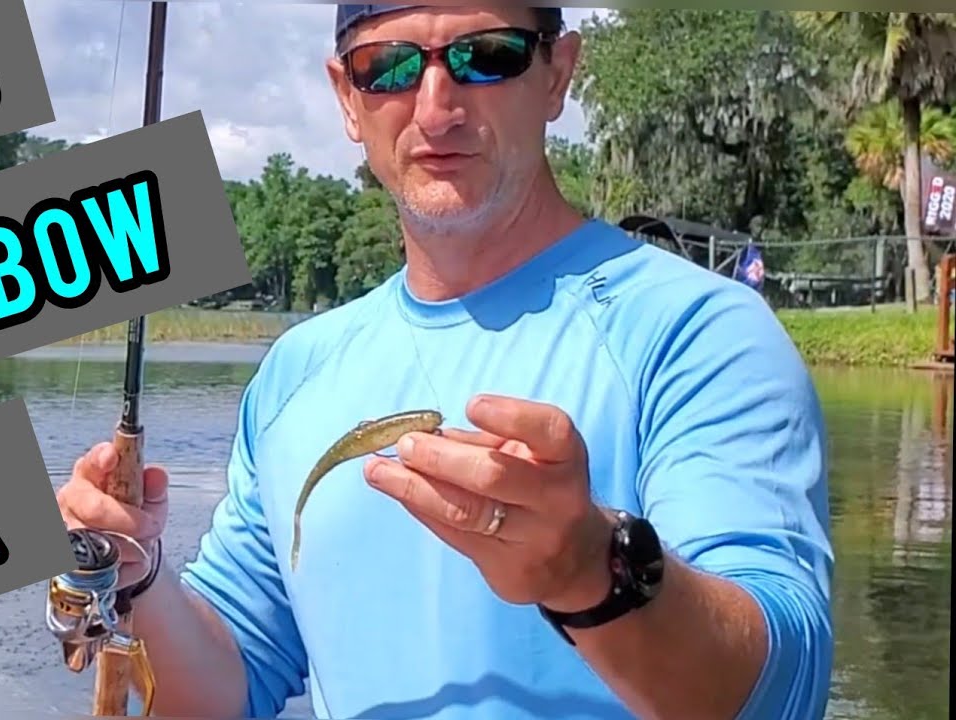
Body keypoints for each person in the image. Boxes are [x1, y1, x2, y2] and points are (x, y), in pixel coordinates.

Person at [56, 4, 835, 719]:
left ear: (558, 72)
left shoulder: (698, 331)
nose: (436, 106)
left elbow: (782, 685)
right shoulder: (298, 370)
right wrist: (135, 578)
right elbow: (226, 687)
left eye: (486, 56)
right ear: (345, 96)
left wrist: (591, 574)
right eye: (388, 66)